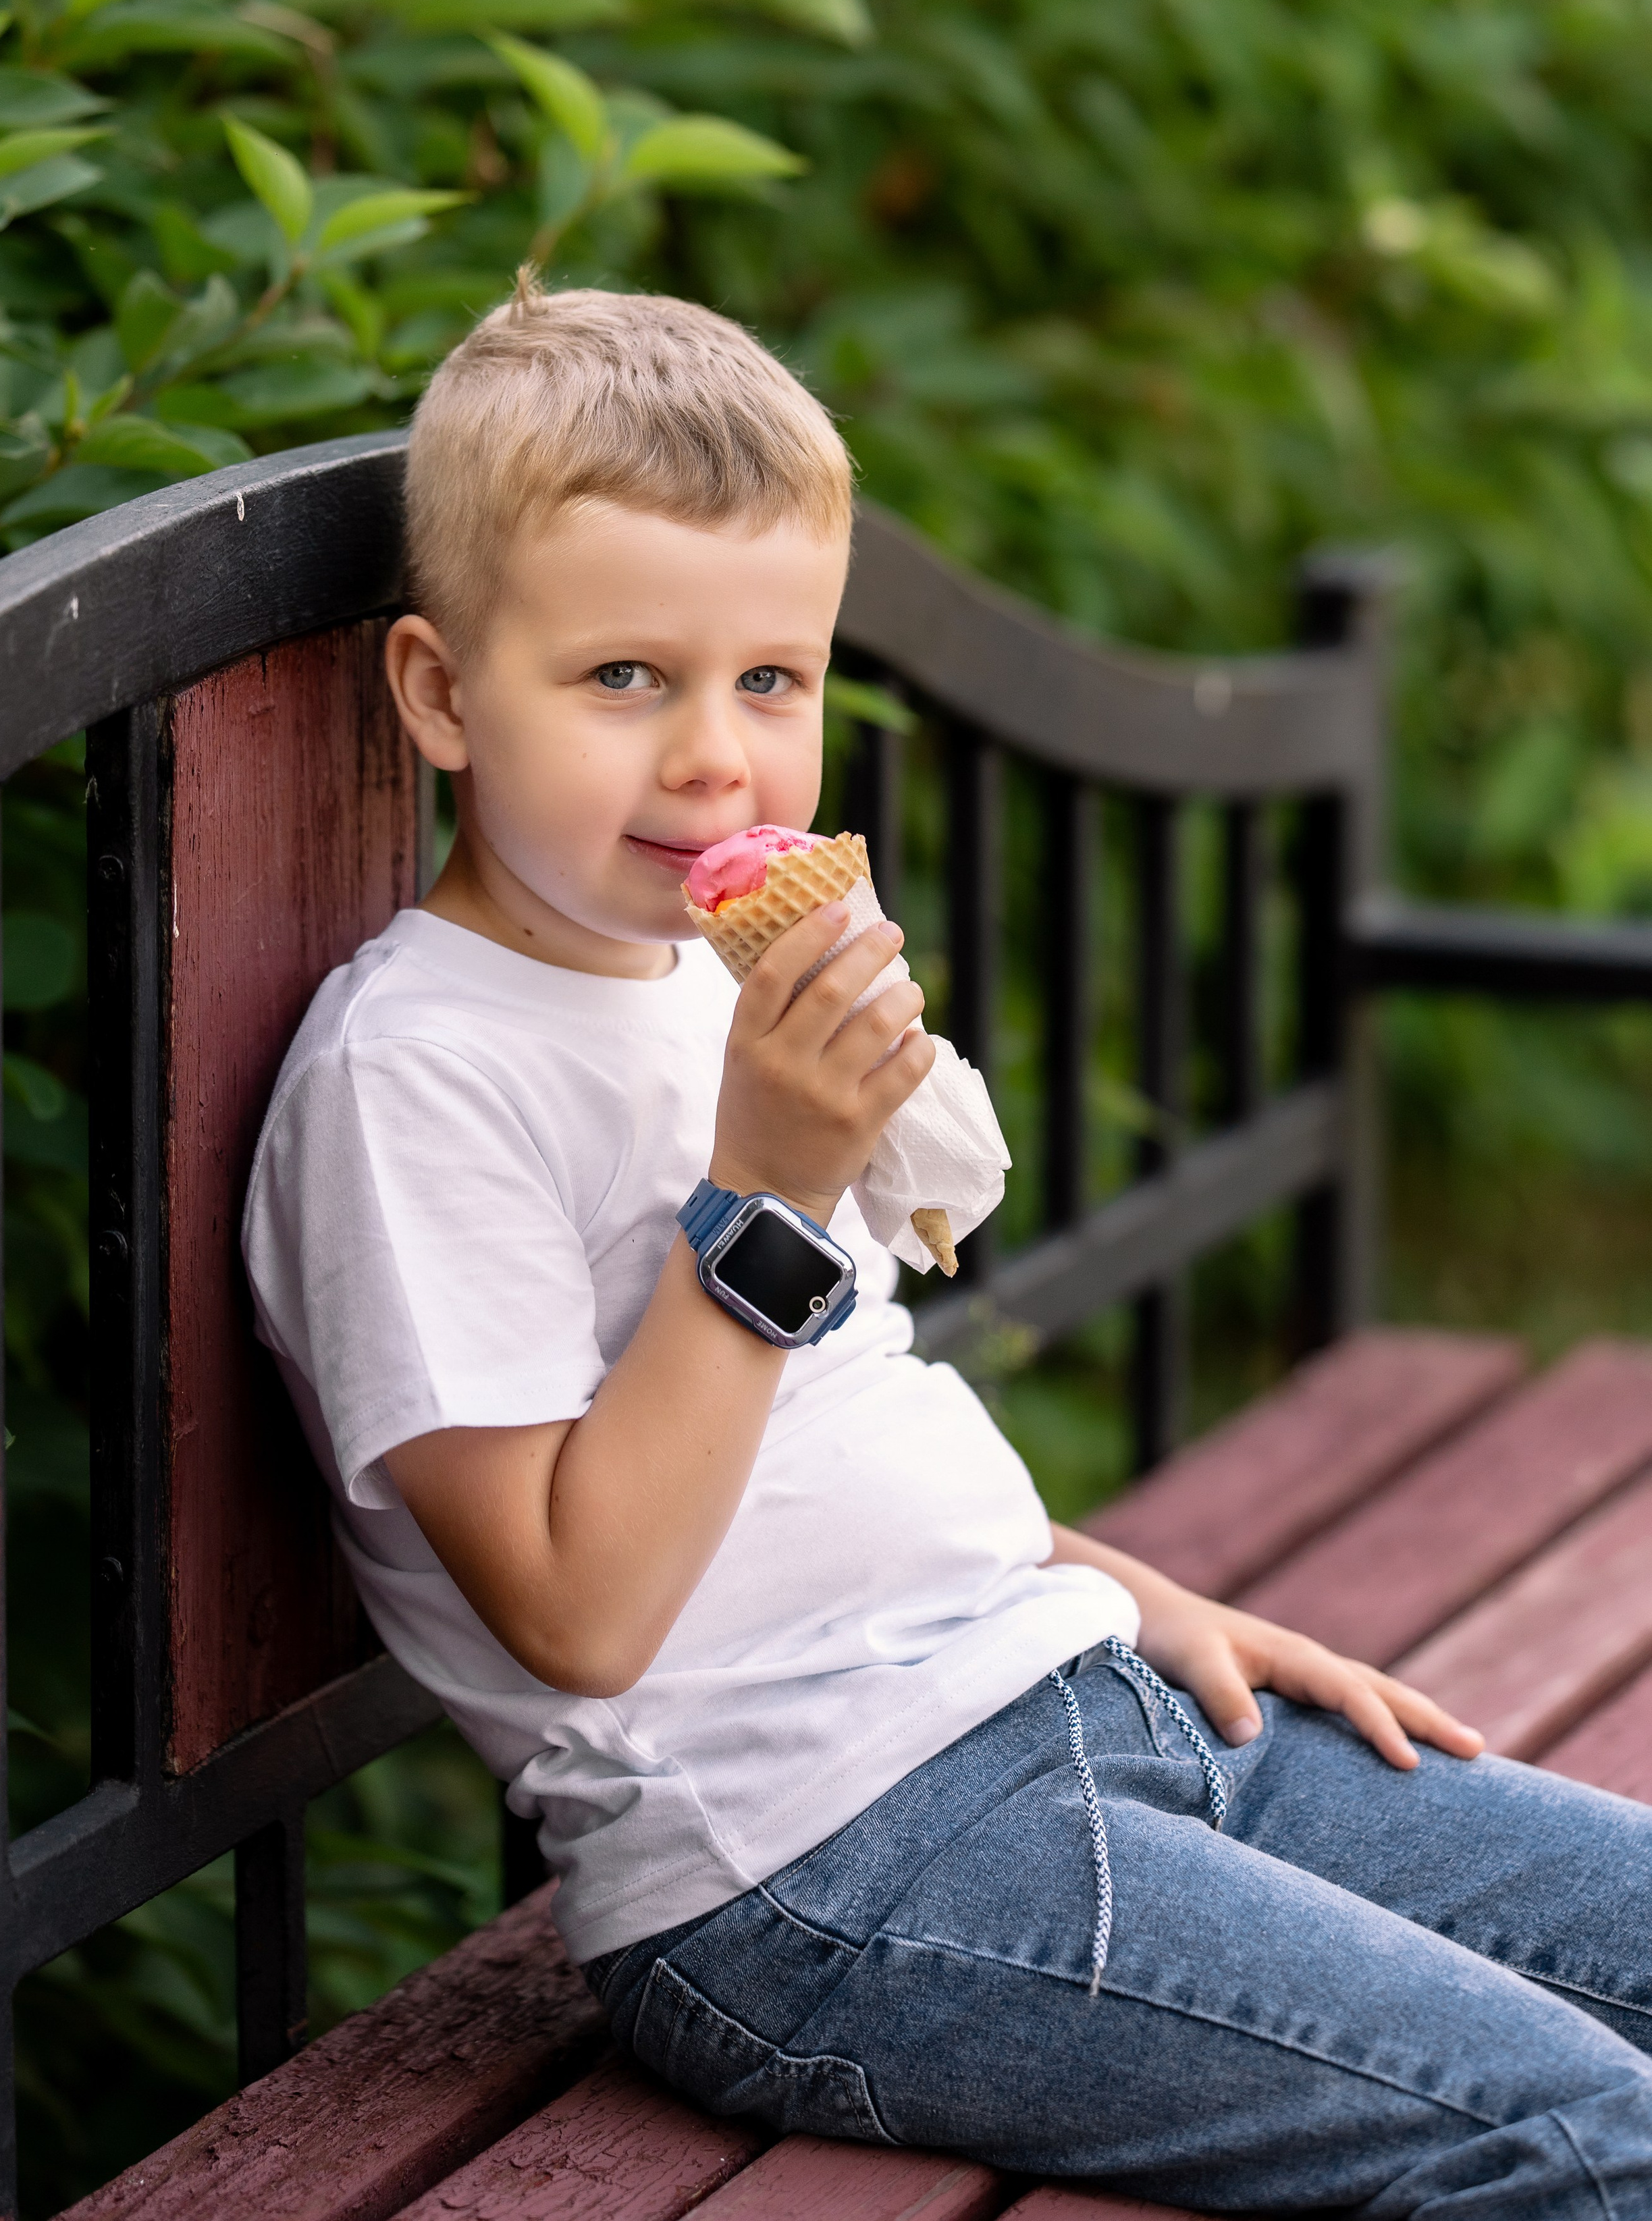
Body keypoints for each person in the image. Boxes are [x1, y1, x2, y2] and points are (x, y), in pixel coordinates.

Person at [243, 275, 1652, 2216]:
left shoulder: (695, 980)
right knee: (1584, 2139)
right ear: (438, 693)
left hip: (1069, 1694)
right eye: (623, 680)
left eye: (772, 680)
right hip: (817, 1869)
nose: (717, 762)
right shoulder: (414, 1078)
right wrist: (764, 1190)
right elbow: (579, 1614)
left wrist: (1143, 1600)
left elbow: (835, 1456)